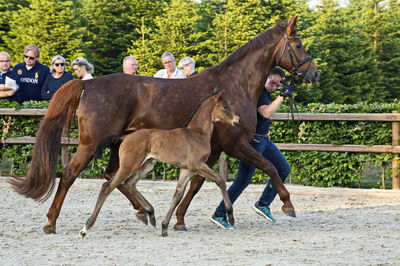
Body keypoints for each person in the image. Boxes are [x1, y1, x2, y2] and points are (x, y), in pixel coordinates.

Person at [210, 67, 294, 230]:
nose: (274, 86)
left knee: (283, 168)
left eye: (277, 85)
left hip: (265, 141)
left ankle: (263, 203)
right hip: (254, 142)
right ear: (265, 78)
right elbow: (266, 112)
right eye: (272, 82)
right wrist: (282, 96)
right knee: (243, 180)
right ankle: (219, 213)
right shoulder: (259, 93)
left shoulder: (267, 94)